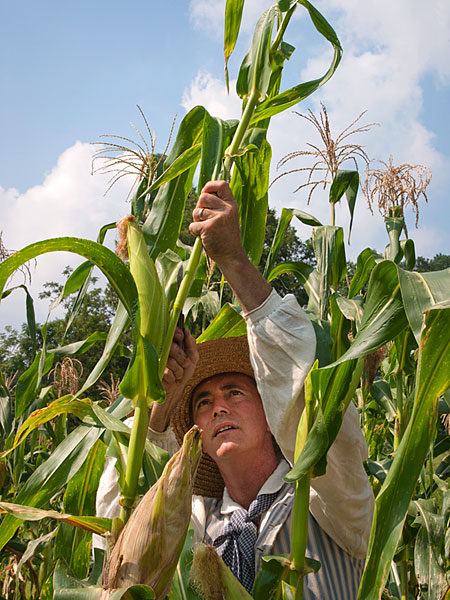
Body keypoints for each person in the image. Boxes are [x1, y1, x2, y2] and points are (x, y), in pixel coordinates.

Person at [95, 181, 374, 599]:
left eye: (235, 393)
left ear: (271, 409)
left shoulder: (326, 494)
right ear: (196, 436)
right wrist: (161, 399)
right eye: (203, 402)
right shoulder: (191, 525)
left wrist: (232, 259)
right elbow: (120, 552)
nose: (218, 408)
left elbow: (299, 386)